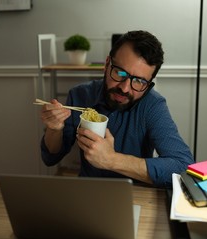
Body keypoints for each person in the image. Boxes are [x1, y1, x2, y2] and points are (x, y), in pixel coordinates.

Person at [40, 30, 194, 188]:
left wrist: (112, 160)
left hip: (137, 194)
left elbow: (183, 167)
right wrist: (54, 129)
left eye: (139, 81)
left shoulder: (152, 105)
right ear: (107, 64)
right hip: (88, 191)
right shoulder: (80, 95)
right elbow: (51, 158)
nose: (125, 88)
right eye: (120, 73)